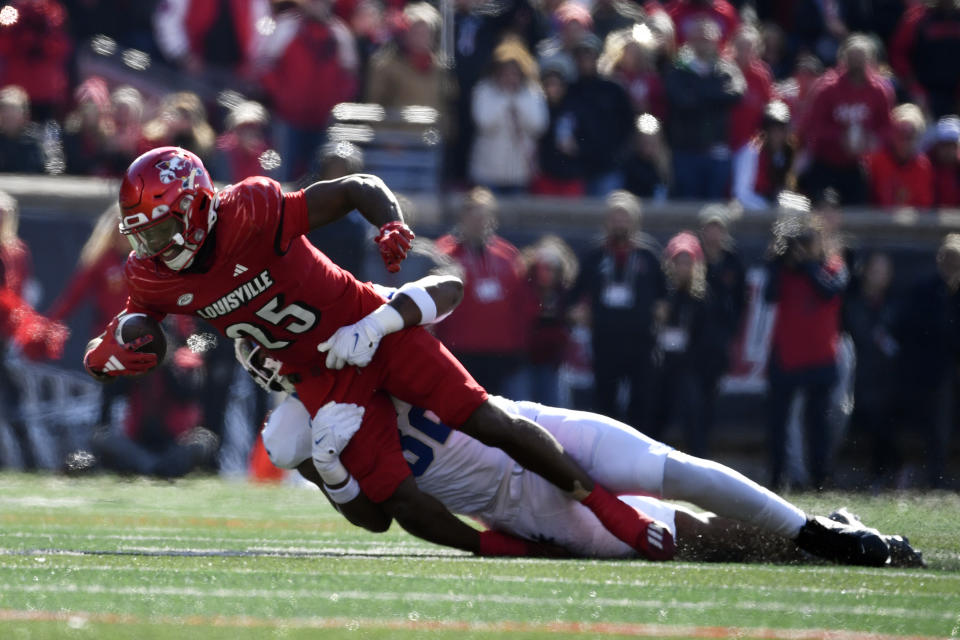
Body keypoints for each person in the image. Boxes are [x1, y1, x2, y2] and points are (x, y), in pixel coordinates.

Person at [81, 146, 682, 561]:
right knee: (392, 498)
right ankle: (508, 549)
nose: (152, 247)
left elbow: (355, 188)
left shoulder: (254, 207)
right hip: (313, 374)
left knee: (487, 418)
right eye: (144, 235)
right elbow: (141, 326)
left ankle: (609, 511)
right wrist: (110, 350)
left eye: (159, 231)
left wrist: (390, 224)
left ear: (193, 207)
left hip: (365, 324)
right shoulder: (152, 273)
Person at [244, 346, 918, 567]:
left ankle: (814, 531)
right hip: (513, 501)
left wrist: (382, 319)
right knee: (689, 538)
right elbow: (382, 514)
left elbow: (435, 294)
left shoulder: (361, 335)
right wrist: (330, 471)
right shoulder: (295, 430)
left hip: (531, 428)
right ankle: (794, 546)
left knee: (672, 466)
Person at [763, 194, 849, 491]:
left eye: (812, 239)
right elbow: (769, 296)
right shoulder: (786, 269)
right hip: (787, 356)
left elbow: (830, 291)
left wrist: (809, 263)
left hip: (821, 357)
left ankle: (820, 480)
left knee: (819, 426)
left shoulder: (833, 266)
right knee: (778, 424)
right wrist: (777, 260)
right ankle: (776, 479)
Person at [571, 191, 665, 431]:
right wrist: (577, 312)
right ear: (606, 221)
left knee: (642, 401)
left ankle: (641, 458)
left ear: (635, 221)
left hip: (641, 341)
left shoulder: (649, 254)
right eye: (615, 217)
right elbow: (573, 295)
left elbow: (666, 294)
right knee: (605, 402)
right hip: (605, 340)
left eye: (625, 217)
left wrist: (662, 310)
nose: (620, 223)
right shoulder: (594, 255)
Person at [434, 188, 536, 397]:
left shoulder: (507, 255)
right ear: (462, 218)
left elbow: (521, 302)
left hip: (500, 351)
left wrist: (520, 345)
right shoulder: (444, 253)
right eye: (474, 217)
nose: (479, 222)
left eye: (484, 216)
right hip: (458, 349)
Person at [798, 34, 893, 205]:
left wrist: (872, 139)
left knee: (856, 213)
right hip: (825, 162)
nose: (856, 65)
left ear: (870, 60)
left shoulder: (879, 91)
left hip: (856, 164)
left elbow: (886, 128)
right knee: (821, 212)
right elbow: (813, 126)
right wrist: (840, 137)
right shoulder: (827, 88)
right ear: (843, 59)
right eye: (852, 58)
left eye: (861, 59)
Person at [663, 18, 745, 200]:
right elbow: (682, 100)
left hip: (717, 150)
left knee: (714, 205)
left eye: (707, 39)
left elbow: (736, 94)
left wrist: (698, 91)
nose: (703, 43)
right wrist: (714, 93)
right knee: (687, 204)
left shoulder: (726, 69)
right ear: (689, 41)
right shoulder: (678, 69)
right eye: (698, 38)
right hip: (686, 151)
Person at [650, 232, 712, 456]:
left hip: (688, 367)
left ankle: (700, 467)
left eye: (688, 262)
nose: (682, 267)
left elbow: (706, 337)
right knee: (655, 417)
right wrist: (657, 318)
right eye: (678, 262)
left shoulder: (702, 297)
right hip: (661, 365)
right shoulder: (660, 293)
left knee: (693, 418)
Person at [468, 37, 548, 194]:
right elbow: (484, 123)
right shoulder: (484, 90)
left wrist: (518, 105)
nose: (510, 77)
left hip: (519, 172)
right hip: (487, 170)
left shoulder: (532, 92)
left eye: (514, 73)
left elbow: (539, 125)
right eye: (505, 72)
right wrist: (505, 101)